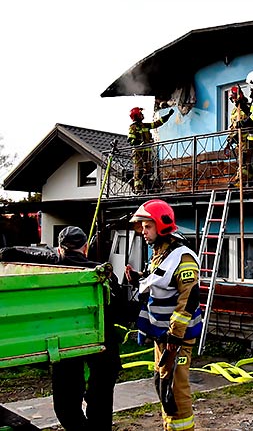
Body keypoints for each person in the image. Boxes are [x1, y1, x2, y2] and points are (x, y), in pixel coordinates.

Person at [125, 199, 202, 431]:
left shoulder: (183, 258)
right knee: (162, 383)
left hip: (176, 338)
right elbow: (161, 283)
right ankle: (170, 426)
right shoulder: (161, 252)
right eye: (142, 227)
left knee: (176, 389)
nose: (143, 232)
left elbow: (188, 301)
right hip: (163, 336)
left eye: (147, 226)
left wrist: (174, 337)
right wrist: (138, 278)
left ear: (161, 225)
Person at [51, 226, 122, 431]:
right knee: (100, 403)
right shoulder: (101, 272)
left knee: (66, 405)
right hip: (103, 345)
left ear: (59, 248)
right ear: (85, 248)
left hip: (65, 345)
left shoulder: (50, 273)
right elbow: (120, 311)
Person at [128, 106, 174, 193]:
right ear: (137, 116)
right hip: (138, 153)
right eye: (140, 114)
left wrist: (168, 115)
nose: (142, 115)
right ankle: (138, 189)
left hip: (147, 152)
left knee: (148, 170)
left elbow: (156, 123)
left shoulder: (145, 125)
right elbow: (130, 140)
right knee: (139, 170)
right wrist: (138, 143)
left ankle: (146, 187)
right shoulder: (133, 127)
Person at [225, 85, 250, 185]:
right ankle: (240, 177)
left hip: (248, 140)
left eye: (234, 97)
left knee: (244, 162)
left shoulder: (247, 107)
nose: (233, 100)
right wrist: (230, 138)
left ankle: (242, 180)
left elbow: (250, 123)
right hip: (238, 142)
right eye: (231, 99)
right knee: (240, 161)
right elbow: (232, 126)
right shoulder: (234, 111)